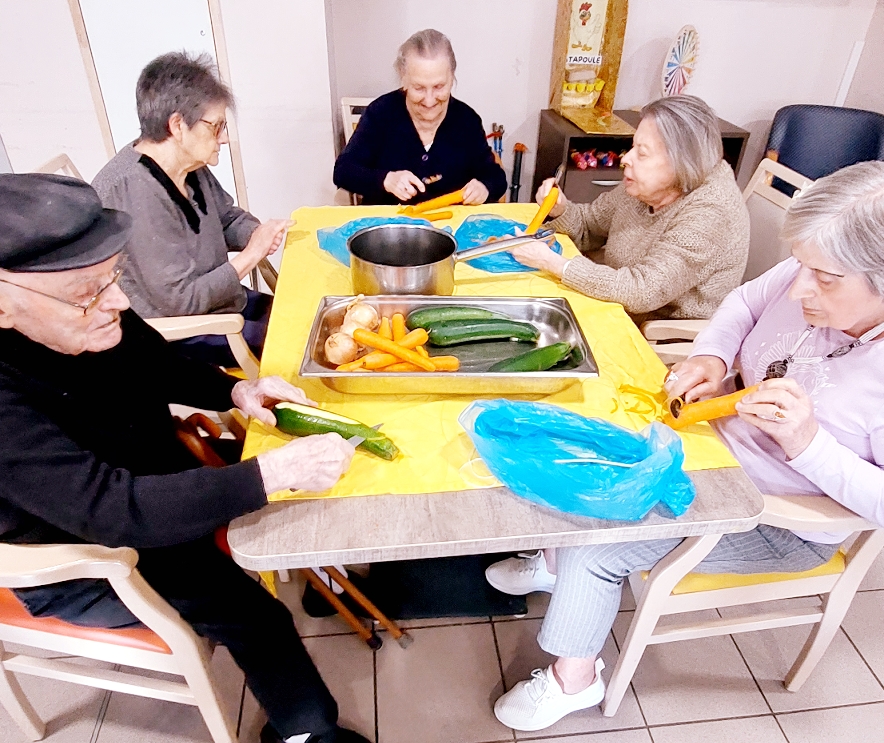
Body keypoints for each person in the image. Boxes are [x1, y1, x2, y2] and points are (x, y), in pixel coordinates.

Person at [485, 161, 884, 732]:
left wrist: (808, 444)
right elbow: (745, 303)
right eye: (800, 265)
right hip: (711, 445)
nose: (798, 288)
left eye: (824, 277)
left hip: (775, 520)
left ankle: (575, 679)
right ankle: (554, 564)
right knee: (578, 440)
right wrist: (712, 358)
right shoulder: (805, 277)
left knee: (598, 542)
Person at [0, 173, 368, 743]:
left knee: (302, 490)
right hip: (90, 551)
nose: (117, 302)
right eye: (87, 292)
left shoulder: (90, 311)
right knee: (258, 617)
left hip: (153, 476)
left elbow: (152, 359)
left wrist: (235, 392)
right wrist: (271, 474)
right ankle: (309, 733)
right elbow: (113, 510)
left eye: (112, 278)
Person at [92, 51, 292, 368]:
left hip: (223, 301)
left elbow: (227, 218)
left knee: (308, 313)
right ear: (177, 125)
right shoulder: (133, 191)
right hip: (185, 329)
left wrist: (257, 233)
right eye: (217, 127)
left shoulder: (188, 164)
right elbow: (181, 301)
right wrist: (251, 255)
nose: (224, 138)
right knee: (303, 347)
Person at [510, 95, 749, 324]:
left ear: (681, 164)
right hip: (614, 304)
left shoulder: (711, 212)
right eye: (633, 146)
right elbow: (590, 224)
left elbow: (643, 291)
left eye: (642, 153)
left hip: (654, 333)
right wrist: (560, 209)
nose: (626, 159)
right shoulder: (647, 186)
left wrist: (551, 261)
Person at [333, 28, 506, 206]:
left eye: (439, 86)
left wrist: (484, 188)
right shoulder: (380, 113)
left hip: (450, 227)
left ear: (452, 76)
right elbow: (343, 170)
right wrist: (386, 180)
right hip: (389, 227)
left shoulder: (466, 120)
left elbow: (495, 176)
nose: (429, 100)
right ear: (403, 77)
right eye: (419, 88)